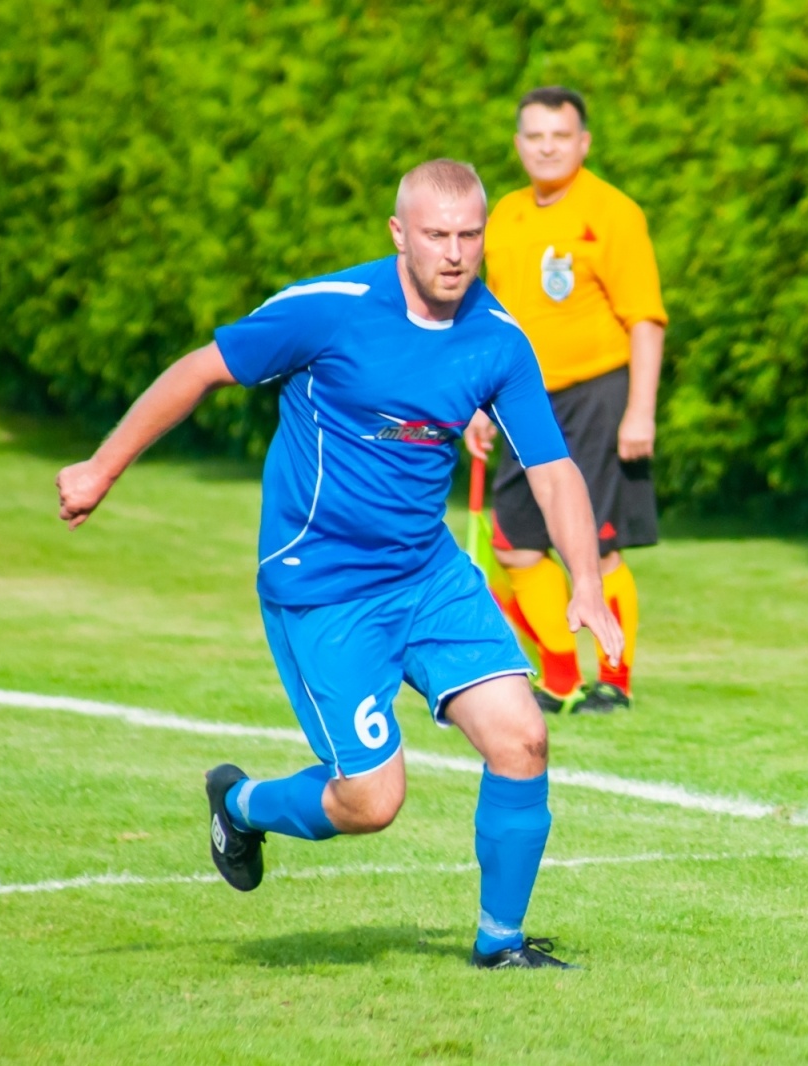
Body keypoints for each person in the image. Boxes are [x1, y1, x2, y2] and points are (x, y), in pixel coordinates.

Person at [54, 159, 621, 971]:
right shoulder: (331, 311)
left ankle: (500, 946)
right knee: (371, 801)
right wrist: (102, 469)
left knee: (523, 739)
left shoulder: (498, 338)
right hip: (323, 587)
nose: (455, 254)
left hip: (427, 575)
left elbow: (553, 468)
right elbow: (201, 369)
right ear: (400, 234)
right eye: (436, 235)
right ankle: (243, 803)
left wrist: (587, 581)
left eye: (469, 235)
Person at [465, 85, 666, 715]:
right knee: (515, 545)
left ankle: (614, 679)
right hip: (520, 399)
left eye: (560, 136)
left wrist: (640, 409)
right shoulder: (506, 217)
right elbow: (487, 320)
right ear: (519, 144)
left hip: (598, 394)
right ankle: (557, 677)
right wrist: (475, 402)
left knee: (597, 545)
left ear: (583, 142)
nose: (547, 147)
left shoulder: (612, 212)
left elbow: (646, 320)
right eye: (535, 136)